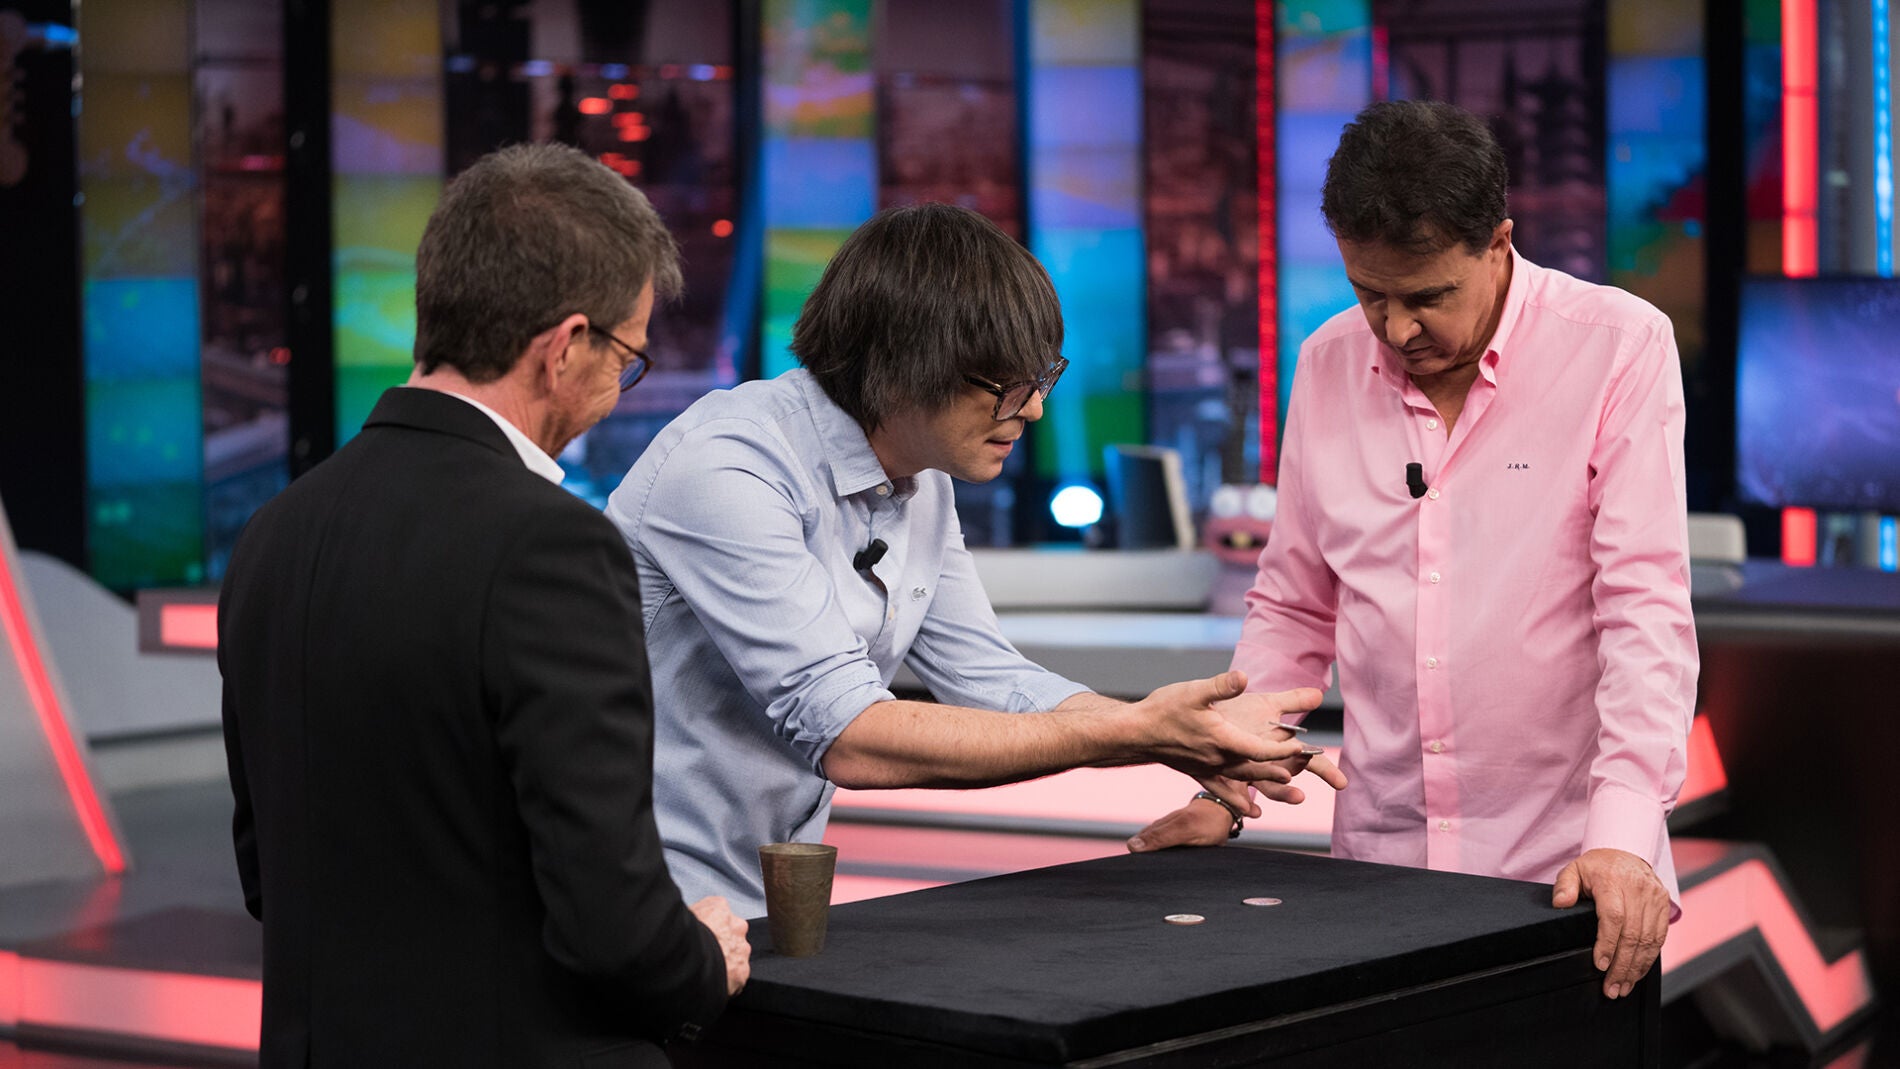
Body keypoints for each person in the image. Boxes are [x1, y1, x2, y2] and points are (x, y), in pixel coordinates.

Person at [605, 203, 1321, 919]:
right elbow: (849, 736)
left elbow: (991, 678)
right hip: (630, 894)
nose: (1035, 409)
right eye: (1006, 384)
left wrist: (1182, 735)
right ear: (903, 362)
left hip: (759, 901)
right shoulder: (733, 466)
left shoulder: (923, 482)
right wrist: (1139, 728)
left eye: (1042, 377)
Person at [1130, 100, 1698, 1001]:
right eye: (1370, 294)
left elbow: (1644, 610)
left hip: (1569, 875)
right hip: (1376, 873)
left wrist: (1625, 835)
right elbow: (1293, 606)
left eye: (1428, 296)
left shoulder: (1619, 347)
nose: (1396, 330)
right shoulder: (1324, 362)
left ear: (1499, 242)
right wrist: (1225, 789)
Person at [219, 143, 749, 1069]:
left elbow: (269, 874)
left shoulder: (274, 531)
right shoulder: (554, 546)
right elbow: (610, 919)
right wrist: (703, 956)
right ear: (563, 347)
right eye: (626, 355)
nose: (617, 385)